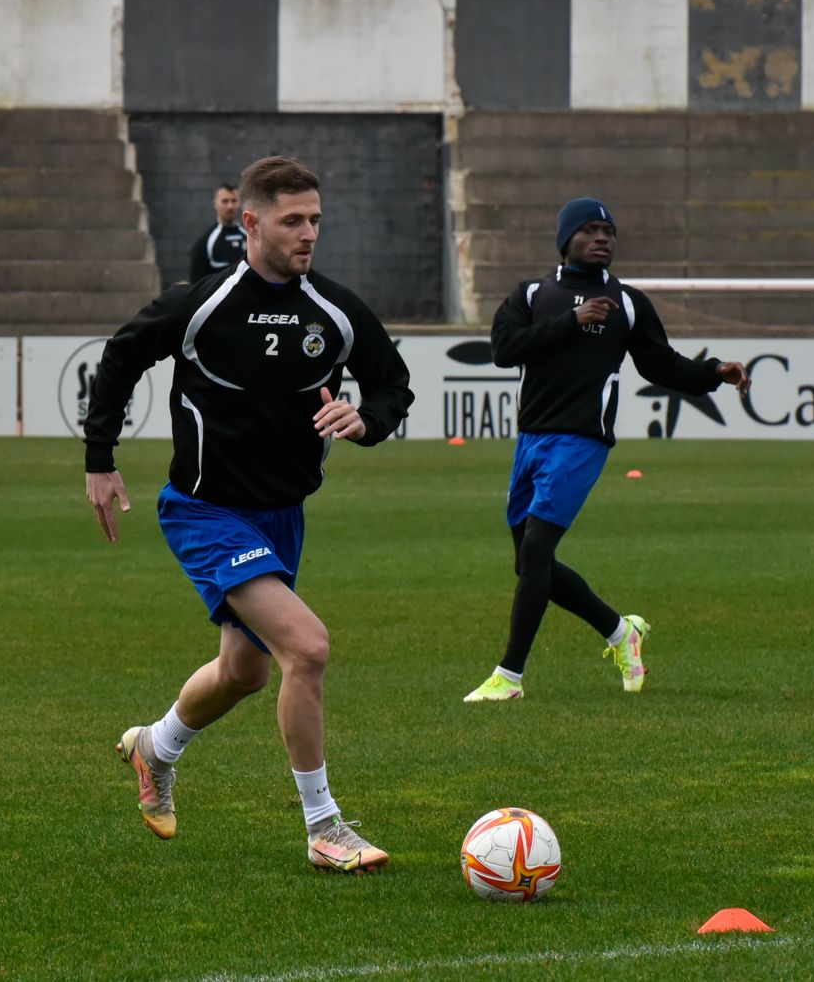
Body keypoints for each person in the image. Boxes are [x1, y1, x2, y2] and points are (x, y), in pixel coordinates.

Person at [85, 155, 413, 873]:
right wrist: (100, 459)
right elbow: (120, 355)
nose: (308, 234)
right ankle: (325, 826)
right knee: (309, 648)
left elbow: (394, 386)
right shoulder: (202, 303)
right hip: (205, 511)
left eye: (316, 221)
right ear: (252, 222)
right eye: (293, 221)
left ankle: (155, 747)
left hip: (282, 516)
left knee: (245, 671)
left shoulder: (335, 310)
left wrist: (367, 419)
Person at [463, 197, 750, 703]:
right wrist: (571, 322)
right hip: (531, 438)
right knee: (531, 565)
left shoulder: (629, 303)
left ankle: (508, 677)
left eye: (609, 231)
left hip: (582, 441)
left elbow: (662, 365)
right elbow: (504, 351)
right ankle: (622, 632)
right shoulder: (532, 294)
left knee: (535, 551)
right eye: (590, 230)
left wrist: (714, 372)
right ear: (566, 239)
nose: (602, 239)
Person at [188, 182, 247, 283]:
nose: (230, 206)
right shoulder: (205, 242)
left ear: (239, 203)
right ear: (215, 203)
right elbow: (196, 285)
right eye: (225, 201)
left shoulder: (249, 236)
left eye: (234, 201)